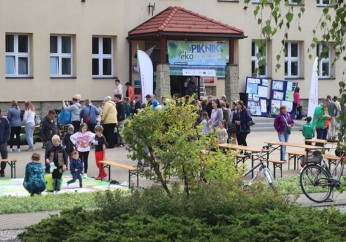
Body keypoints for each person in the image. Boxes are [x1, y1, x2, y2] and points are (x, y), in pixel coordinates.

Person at [0, 109, 10, 177]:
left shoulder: (4, 120)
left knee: (4, 156)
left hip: (3, 142)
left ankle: (2, 170)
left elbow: (8, 130)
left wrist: (5, 139)